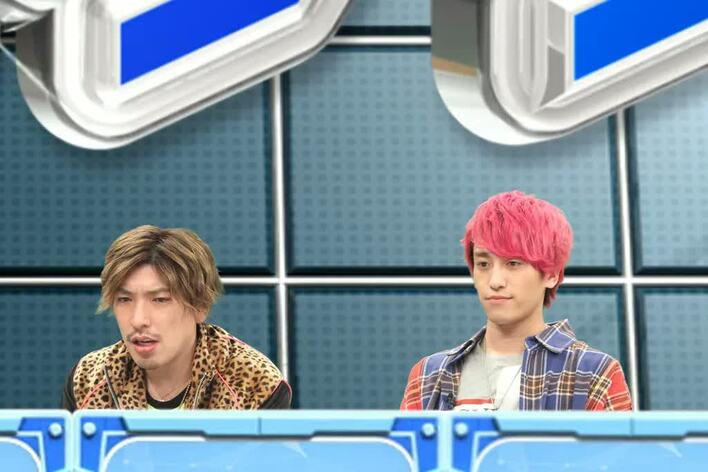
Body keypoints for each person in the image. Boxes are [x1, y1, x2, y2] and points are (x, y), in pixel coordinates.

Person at [400, 191, 632, 411]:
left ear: (551, 274)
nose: (495, 281)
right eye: (483, 264)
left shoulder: (595, 374)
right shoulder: (429, 375)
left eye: (513, 264)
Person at [63, 225, 290, 410]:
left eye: (160, 299)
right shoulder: (88, 380)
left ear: (200, 306)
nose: (138, 320)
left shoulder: (253, 383)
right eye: (124, 299)